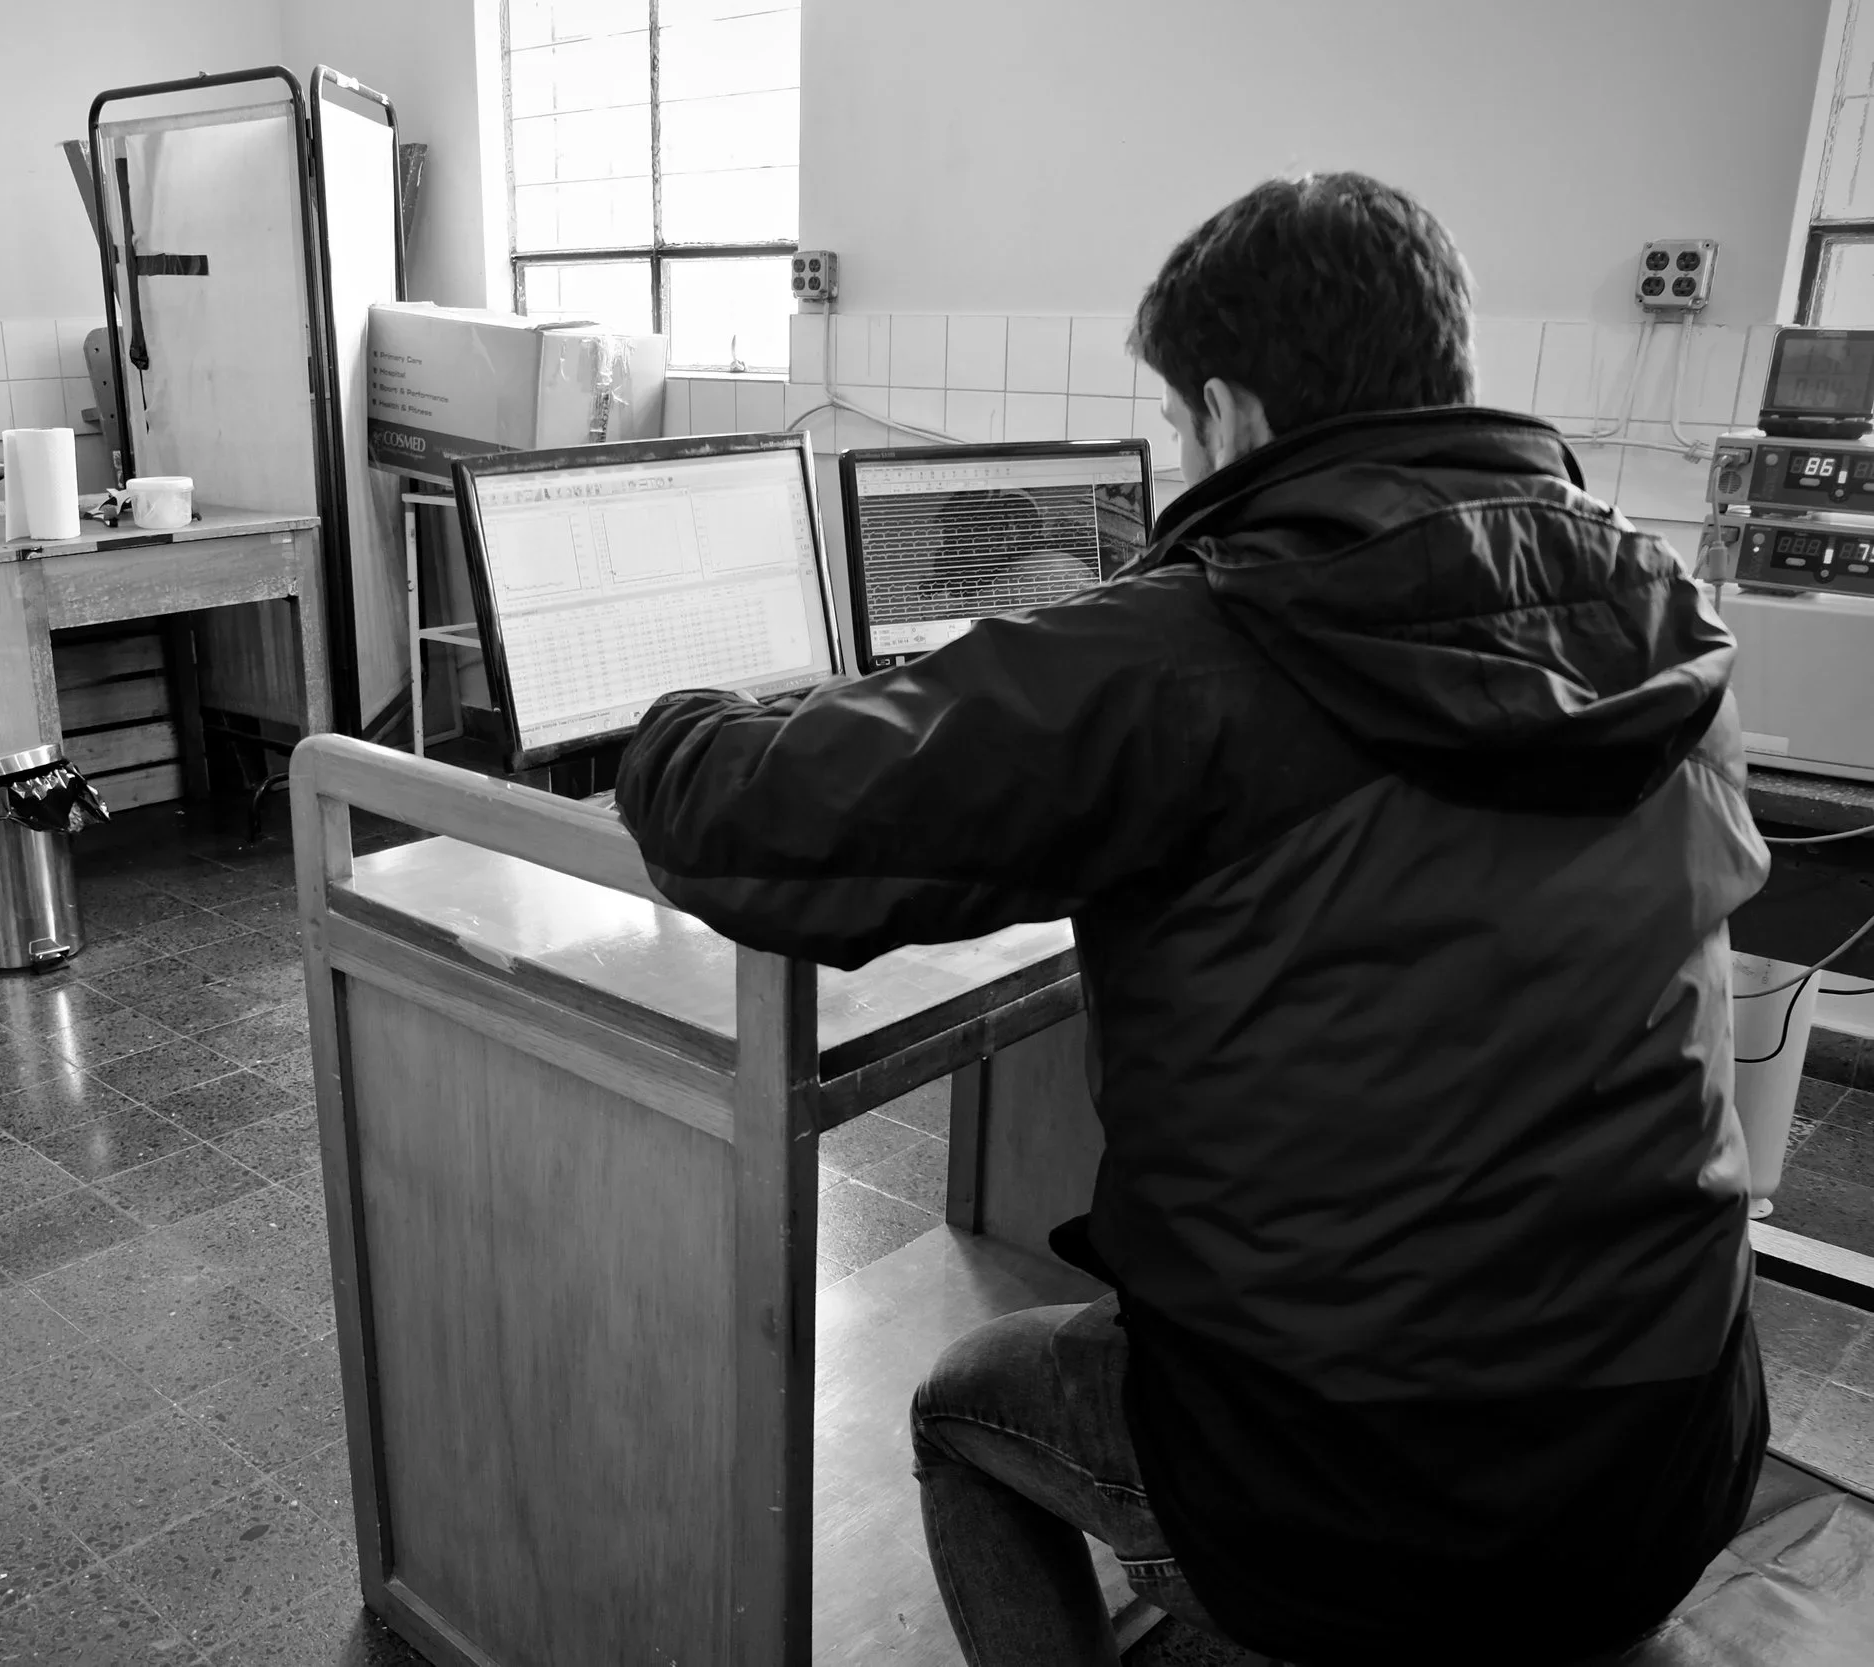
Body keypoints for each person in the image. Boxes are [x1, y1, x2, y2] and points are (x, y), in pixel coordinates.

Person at [611, 172, 1768, 1665]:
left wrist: (672, 715)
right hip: (1674, 1444)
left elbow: (758, 818)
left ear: (1231, 416)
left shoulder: (1192, 654)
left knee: (962, 1411)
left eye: (1173, 423)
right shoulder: (1662, 619)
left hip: (1347, 1496)